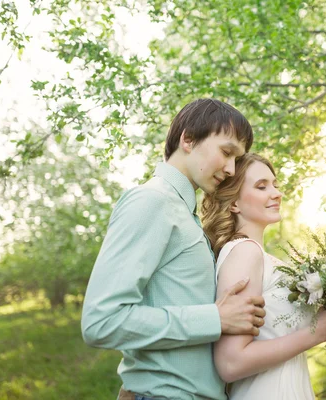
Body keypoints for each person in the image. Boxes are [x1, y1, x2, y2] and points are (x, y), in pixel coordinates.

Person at [81, 99, 267, 400]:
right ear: (188, 139)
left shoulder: (184, 215)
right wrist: (214, 319)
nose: (232, 169)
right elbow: (102, 321)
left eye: (237, 159)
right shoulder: (151, 202)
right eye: (226, 152)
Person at [201, 153, 326, 399]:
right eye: (262, 186)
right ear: (234, 203)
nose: (276, 193)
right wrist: (320, 333)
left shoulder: (260, 257)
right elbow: (231, 363)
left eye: (275, 185)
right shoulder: (244, 252)